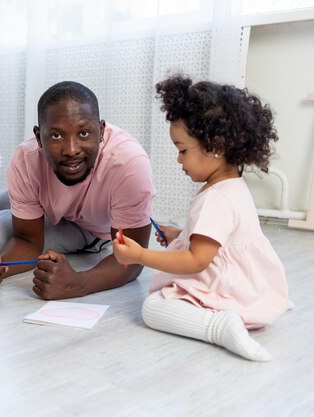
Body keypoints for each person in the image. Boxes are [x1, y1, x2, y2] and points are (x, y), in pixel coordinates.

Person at [112, 75, 290, 361]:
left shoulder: (216, 198)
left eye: (182, 150)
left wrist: (141, 256)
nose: (178, 160)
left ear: (215, 145)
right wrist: (180, 235)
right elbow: (218, 240)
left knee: (153, 308)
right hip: (245, 283)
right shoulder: (232, 186)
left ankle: (219, 326)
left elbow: (197, 260)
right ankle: (254, 301)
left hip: (225, 287)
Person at [0, 81, 156, 300]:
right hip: (49, 204)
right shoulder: (26, 159)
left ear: (102, 131)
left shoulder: (129, 164)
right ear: (39, 137)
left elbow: (131, 261)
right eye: (56, 136)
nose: (71, 150)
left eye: (85, 133)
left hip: (90, 229)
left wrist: (79, 283)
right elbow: (28, 240)